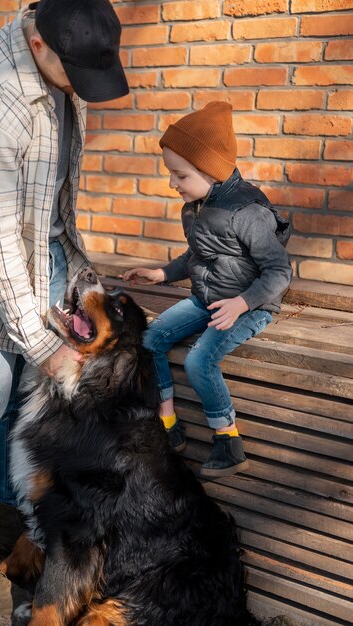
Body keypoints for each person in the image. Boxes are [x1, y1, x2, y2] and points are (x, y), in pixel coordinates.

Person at [0, 0, 128, 615]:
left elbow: (52, 197)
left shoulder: (61, 59)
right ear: (40, 47)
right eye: (78, 73)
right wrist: (44, 345)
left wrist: (72, 265)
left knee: (16, 397)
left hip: (35, 250)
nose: (84, 86)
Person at [122, 101, 292, 479]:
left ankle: (227, 441)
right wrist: (163, 274)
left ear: (210, 170)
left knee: (200, 361)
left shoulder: (247, 212)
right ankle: (168, 426)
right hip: (206, 299)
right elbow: (196, 256)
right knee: (151, 340)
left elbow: (279, 271)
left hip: (249, 306)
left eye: (179, 175)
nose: (172, 183)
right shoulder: (196, 206)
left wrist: (243, 303)